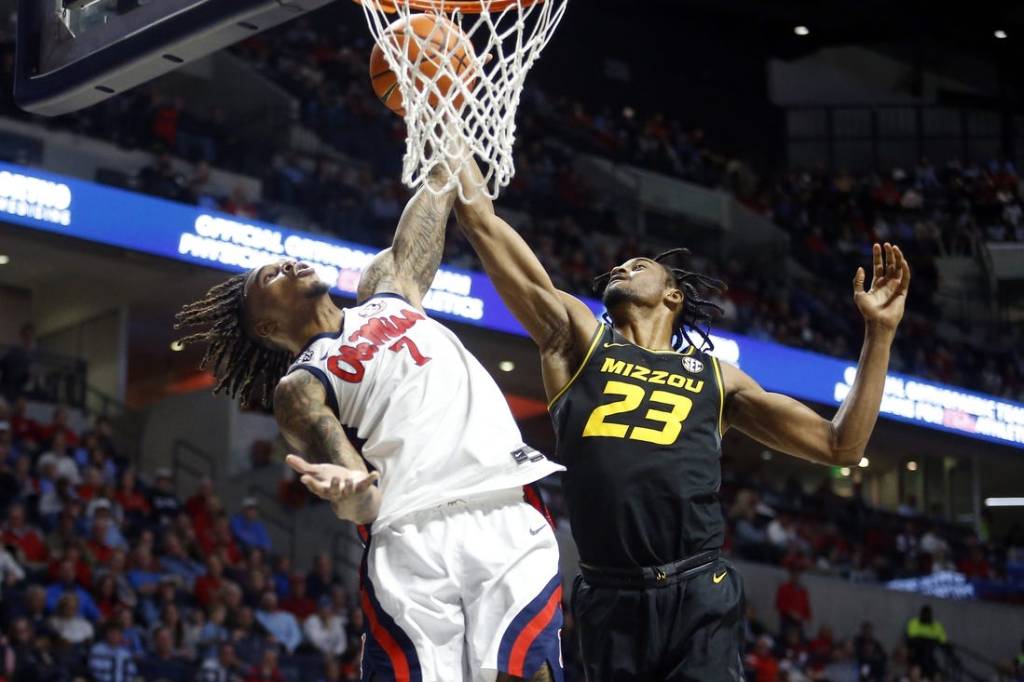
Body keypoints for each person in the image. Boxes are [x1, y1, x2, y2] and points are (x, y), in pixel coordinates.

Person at [453, 155, 911, 681]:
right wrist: (448, 125)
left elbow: (840, 446)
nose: (622, 267)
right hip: (609, 596)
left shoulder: (718, 378)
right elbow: (482, 222)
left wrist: (879, 334)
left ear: (673, 294)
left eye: (640, 265)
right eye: (620, 266)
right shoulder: (578, 341)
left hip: (698, 593)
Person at [175, 158, 564, 682]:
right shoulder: (303, 385)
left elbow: (438, 188)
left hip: (502, 501)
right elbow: (363, 499)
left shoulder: (390, 288)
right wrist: (347, 488)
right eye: (271, 276)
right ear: (267, 323)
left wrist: (443, 118)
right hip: (411, 533)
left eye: (284, 260)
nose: (287, 264)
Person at [906, 605, 948, 677]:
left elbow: (943, 641)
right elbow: (912, 638)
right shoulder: (914, 622)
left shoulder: (936, 626)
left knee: (937, 673)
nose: (926, 616)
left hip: (930, 655)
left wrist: (926, 639)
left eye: (928, 614)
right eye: (924, 614)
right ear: (921, 614)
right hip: (916, 653)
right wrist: (931, 640)